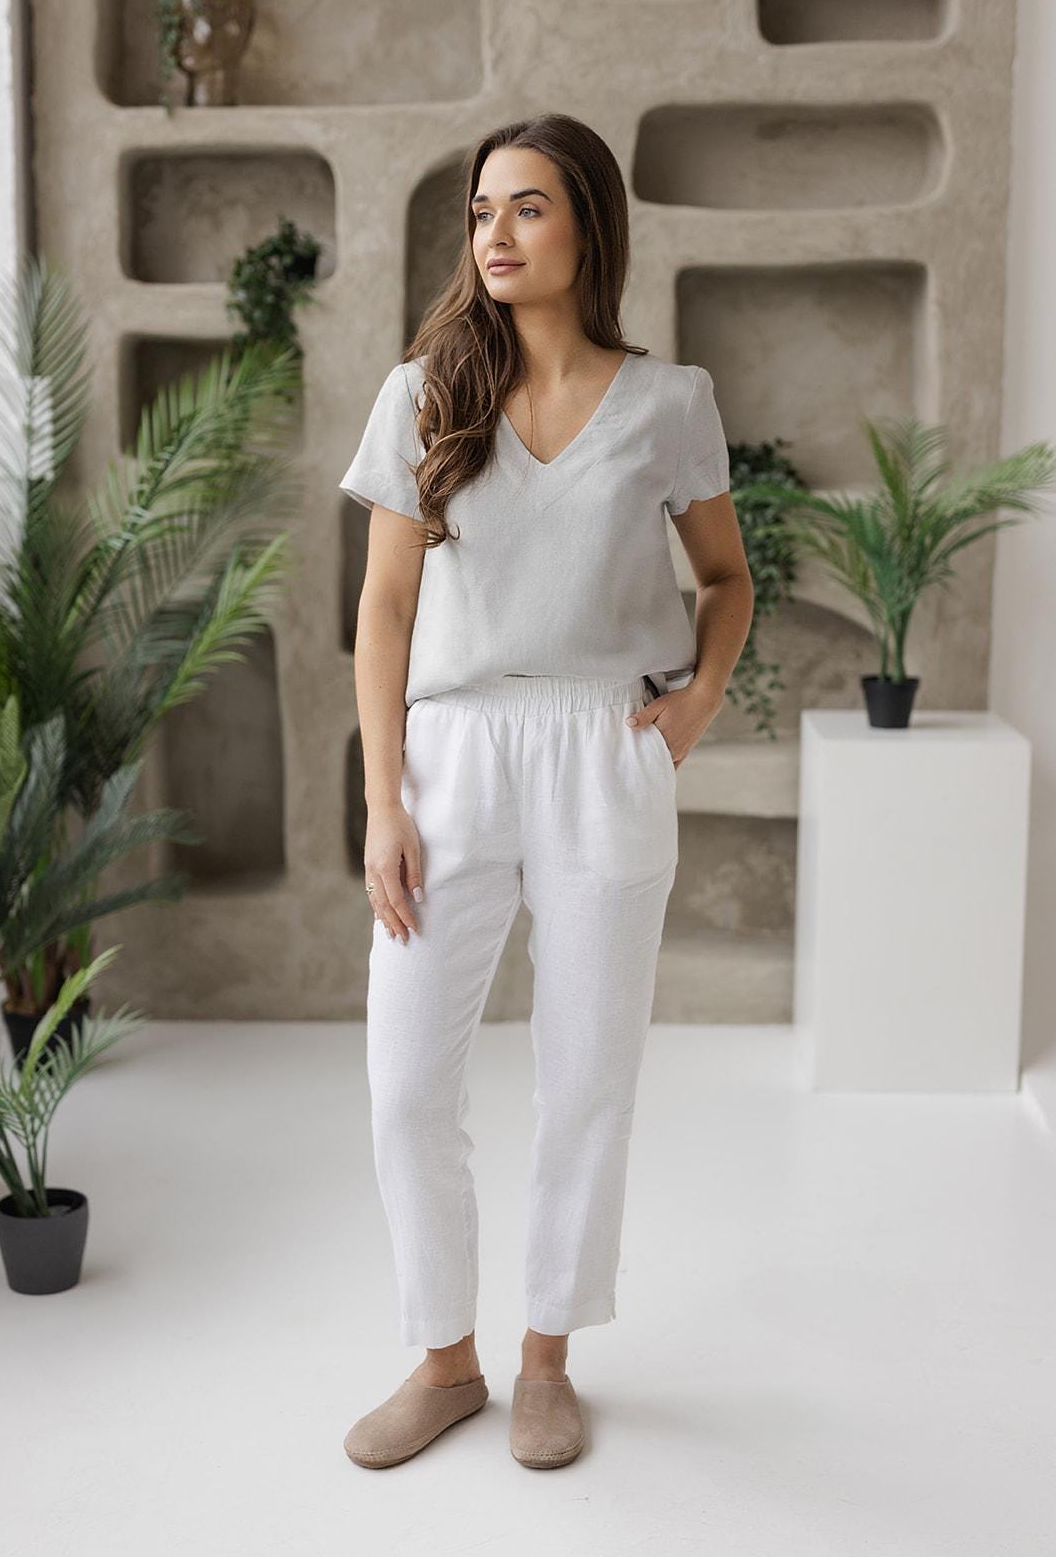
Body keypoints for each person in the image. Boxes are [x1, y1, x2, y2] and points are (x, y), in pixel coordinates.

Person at [339, 112, 754, 1470]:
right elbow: (384, 612)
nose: (495, 237)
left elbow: (728, 583)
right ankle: (445, 1359)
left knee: (587, 1076)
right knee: (406, 1080)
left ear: (587, 225)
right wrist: (384, 801)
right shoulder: (425, 395)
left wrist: (688, 709)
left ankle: (544, 1358)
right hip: (450, 752)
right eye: (479, 214)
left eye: (526, 208)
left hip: (602, 754)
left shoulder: (670, 401)